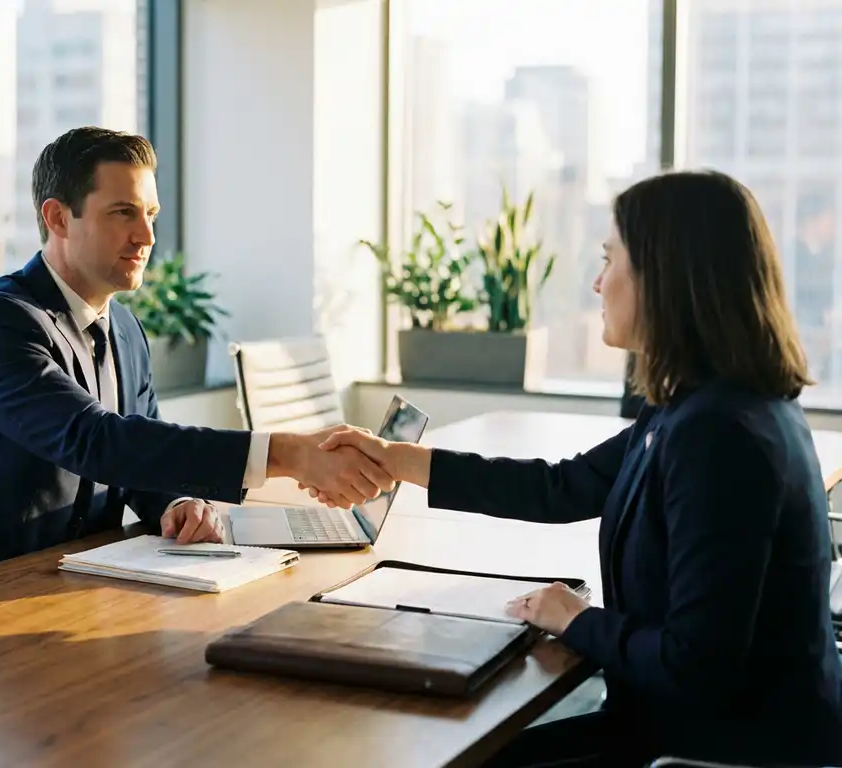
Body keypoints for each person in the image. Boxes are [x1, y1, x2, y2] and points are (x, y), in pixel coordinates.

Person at [307, 170, 842, 765]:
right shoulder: (699, 406)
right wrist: (402, 460)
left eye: (610, 259)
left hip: (720, 751)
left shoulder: (720, 436)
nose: (596, 282)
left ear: (665, 279)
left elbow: (696, 666)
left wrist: (578, 619)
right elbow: (559, 487)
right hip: (680, 727)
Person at [0, 127, 392, 588]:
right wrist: (285, 453)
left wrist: (178, 502)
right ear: (57, 217)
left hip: (78, 579)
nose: (146, 237)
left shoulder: (126, 329)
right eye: (123, 213)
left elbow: (139, 454)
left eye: (150, 215)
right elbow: (94, 441)